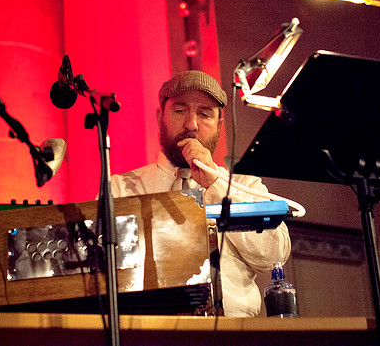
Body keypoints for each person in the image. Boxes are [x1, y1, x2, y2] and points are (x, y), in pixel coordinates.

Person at [109, 70, 291, 317]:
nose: (191, 124)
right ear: (160, 117)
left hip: (234, 332)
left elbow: (274, 258)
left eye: (204, 114)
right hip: (148, 330)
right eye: (180, 110)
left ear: (219, 125)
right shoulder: (119, 188)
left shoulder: (245, 185)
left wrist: (215, 185)